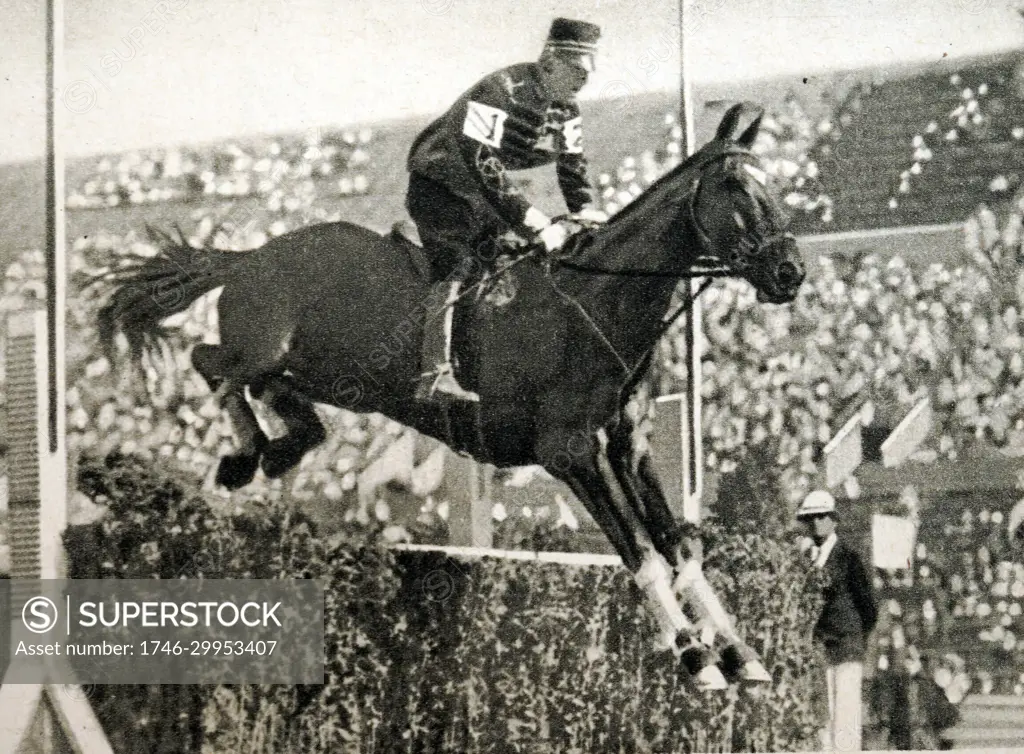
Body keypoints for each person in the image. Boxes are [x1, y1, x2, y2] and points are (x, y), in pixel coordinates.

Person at [405, 17, 608, 402]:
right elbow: (482, 161)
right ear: (550, 62)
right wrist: (533, 220)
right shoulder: (498, 90)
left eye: (591, 70)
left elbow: (572, 165)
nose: (587, 79)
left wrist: (584, 210)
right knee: (457, 265)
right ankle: (434, 374)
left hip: (485, 196)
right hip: (440, 186)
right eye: (579, 70)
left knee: (509, 264)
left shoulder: (567, 109)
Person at [797, 489, 878, 753]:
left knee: (845, 706)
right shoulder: (807, 558)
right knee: (823, 707)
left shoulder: (848, 557)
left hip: (845, 641)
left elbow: (867, 605)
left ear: (833, 519)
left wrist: (855, 634)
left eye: (822, 517)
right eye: (811, 518)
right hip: (819, 643)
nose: (817, 523)